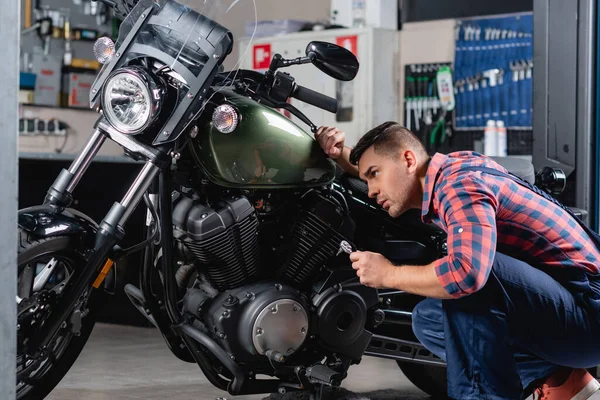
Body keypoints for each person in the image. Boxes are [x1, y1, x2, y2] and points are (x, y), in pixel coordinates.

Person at [315, 122, 600, 400]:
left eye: (374, 174)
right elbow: (393, 179)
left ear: (408, 159)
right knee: (429, 319)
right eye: (367, 179)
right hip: (573, 311)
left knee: (470, 273)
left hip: (590, 315)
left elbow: (467, 274)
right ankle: (562, 380)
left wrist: (387, 274)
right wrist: (341, 154)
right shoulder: (450, 169)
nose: (372, 190)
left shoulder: (459, 185)